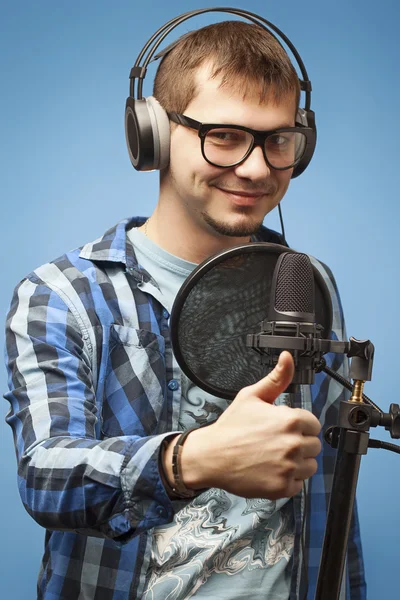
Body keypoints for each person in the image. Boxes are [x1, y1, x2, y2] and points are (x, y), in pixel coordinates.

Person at [4, 13, 366, 600]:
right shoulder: (62, 294)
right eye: (223, 135)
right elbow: (47, 476)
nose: (255, 168)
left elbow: (332, 503)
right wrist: (191, 460)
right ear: (151, 134)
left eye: (278, 140)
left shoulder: (306, 281)